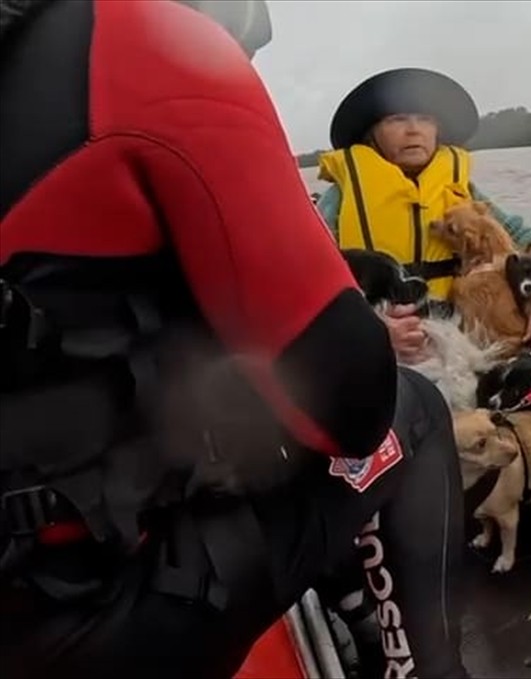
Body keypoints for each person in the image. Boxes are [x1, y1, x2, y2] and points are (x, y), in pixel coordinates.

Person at [0, 1, 467, 677]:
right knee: (413, 406)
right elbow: (352, 405)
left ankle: (354, 603)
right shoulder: (144, 41)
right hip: (84, 614)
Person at [314, 69, 531, 360]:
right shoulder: (341, 196)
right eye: (396, 119)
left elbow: (528, 238)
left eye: (425, 119)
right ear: (371, 136)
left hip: (461, 335)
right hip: (388, 347)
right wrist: (374, 331)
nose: (414, 129)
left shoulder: (461, 189)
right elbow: (305, 277)